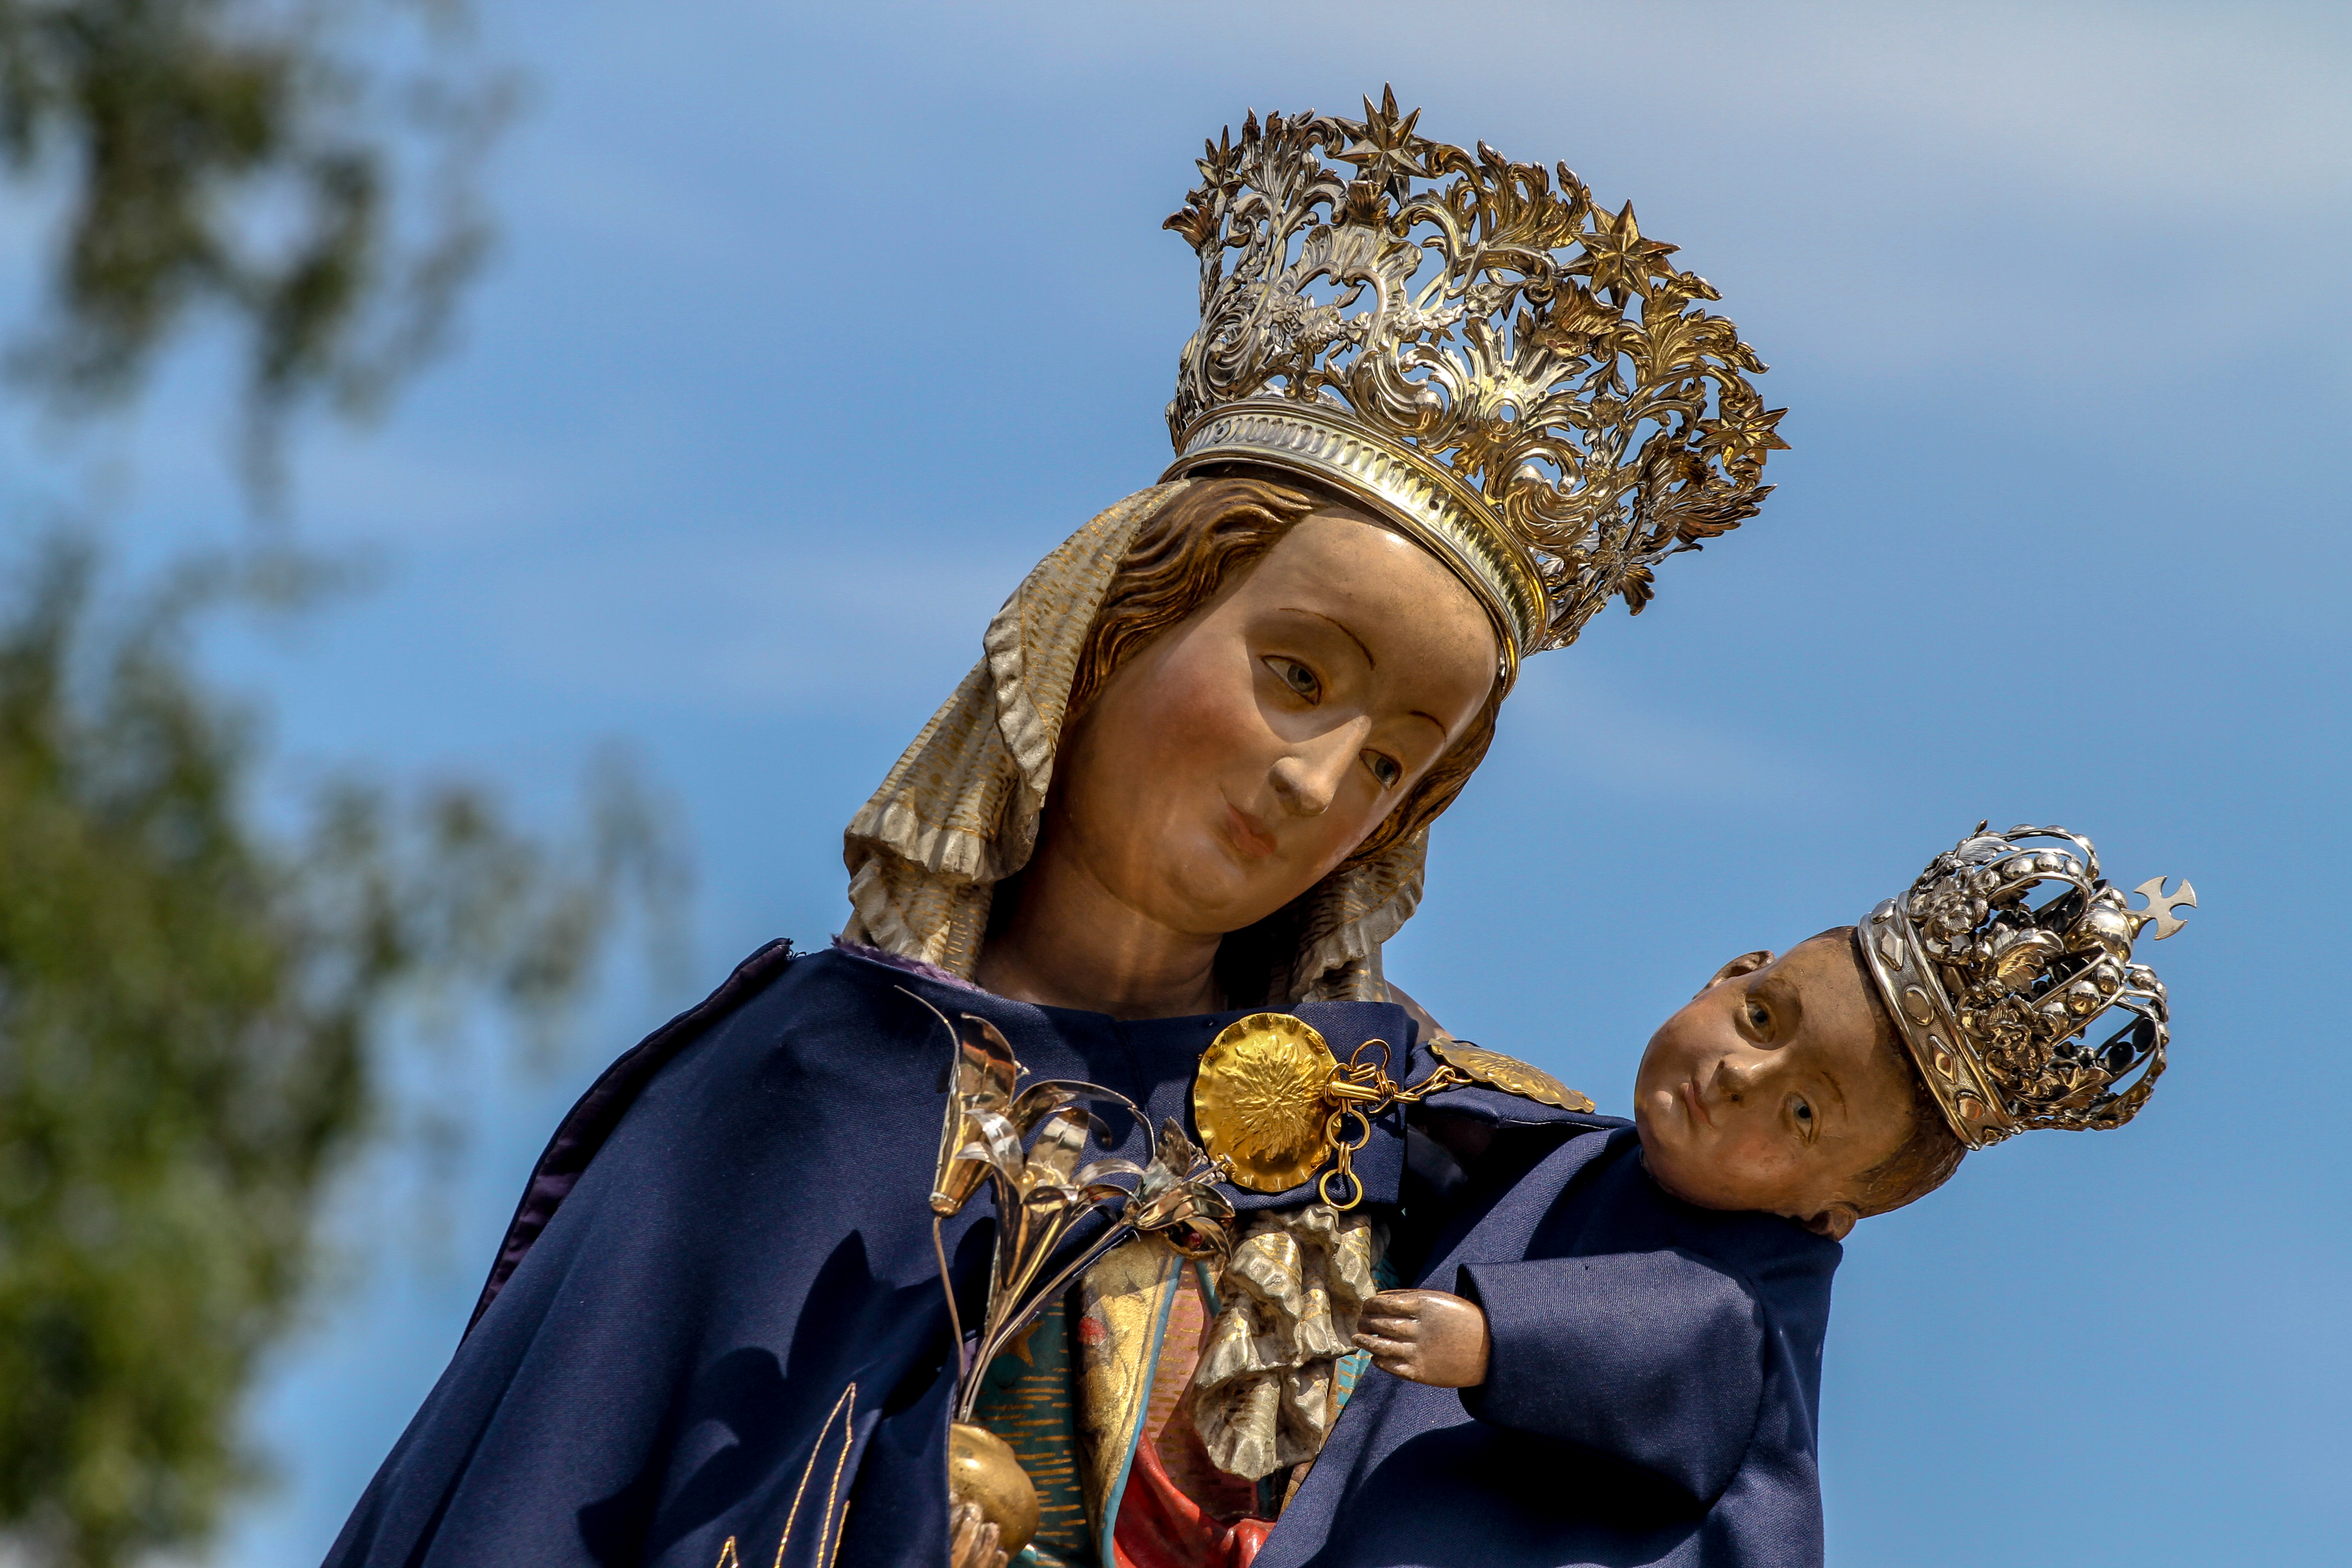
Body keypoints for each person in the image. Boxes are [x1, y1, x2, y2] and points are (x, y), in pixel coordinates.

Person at [318, 94, 1786, 1568]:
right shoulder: (808, 1081)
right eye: (1294, 676)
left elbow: (1702, 1401)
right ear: (1107, 629)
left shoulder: (1426, 1148)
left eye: (1394, 762)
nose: (1314, 781)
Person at [1249, 825, 2190, 1568]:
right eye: (1762, 1017)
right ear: (1732, 971)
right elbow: (1443, 1108)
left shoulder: (1760, 1292)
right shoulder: (1573, 1148)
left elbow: (1696, 1338)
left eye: (1805, 1114)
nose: (1741, 1074)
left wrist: (1500, 1340)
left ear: (1826, 1211)